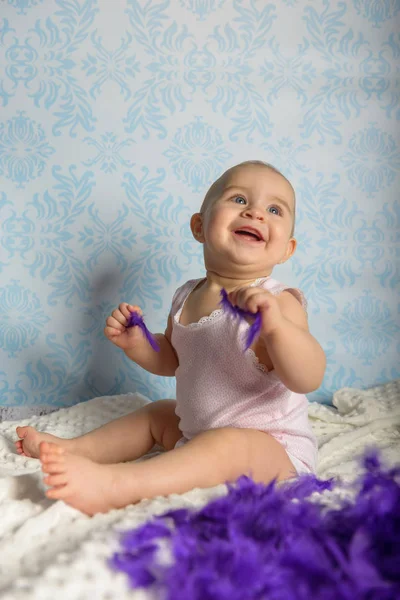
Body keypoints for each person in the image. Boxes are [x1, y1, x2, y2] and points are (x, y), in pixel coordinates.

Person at [15, 160, 326, 515]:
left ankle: (118, 486)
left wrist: (276, 328)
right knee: (157, 414)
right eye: (239, 200)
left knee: (231, 445)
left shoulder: (279, 302)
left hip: (273, 451)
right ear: (200, 226)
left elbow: (307, 376)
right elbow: (174, 360)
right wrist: (140, 343)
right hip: (200, 435)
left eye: (274, 209)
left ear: (287, 249)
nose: (255, 213)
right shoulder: (187, 296)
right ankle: (75, 449)